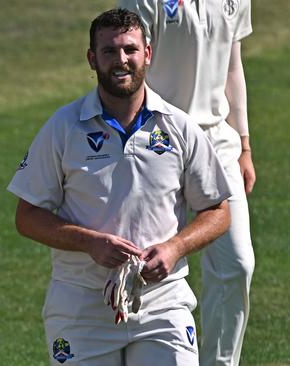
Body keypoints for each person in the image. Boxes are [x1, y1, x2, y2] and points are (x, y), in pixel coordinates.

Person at [8, 8, 232, 366]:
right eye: (109, 51)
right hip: (81, 305)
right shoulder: (63, 127)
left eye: (129, 49)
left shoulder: (180, 126)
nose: (121, 60)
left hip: (163, 302)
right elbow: (27, 216)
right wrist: (89, 242)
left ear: (148, 53)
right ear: (91, 58)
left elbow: (218, 210)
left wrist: (175, 248)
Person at [117, 1, 256, 364]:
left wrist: (243, 144)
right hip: (159, 140)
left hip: (219, 142)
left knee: (237, 265)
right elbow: (130, 66)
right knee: (145, 264)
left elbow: (232, 66)